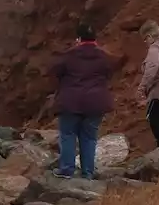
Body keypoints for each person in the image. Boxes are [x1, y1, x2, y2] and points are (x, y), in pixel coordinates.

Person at [50, 22, 117, 179]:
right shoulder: (105, 56)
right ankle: (87, 172)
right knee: (89, 137)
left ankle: (67, 170)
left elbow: (56, 72)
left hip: (70, 102)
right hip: (95, 103)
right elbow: (109, 72)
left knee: (68, 135)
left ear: (78, 38)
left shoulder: (68, 55)